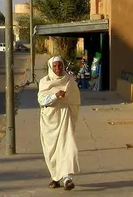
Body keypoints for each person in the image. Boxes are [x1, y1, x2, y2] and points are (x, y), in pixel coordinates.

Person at [37, 56, 81, 191]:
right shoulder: (44, 82)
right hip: (49, 121)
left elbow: (76, 100)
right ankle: (55, 178)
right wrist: (55, 96)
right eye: (55, 66)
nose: (58, 69)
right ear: (51, 67)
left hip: (65, 117)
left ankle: (67, 179)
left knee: (68, 147)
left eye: (60, 66)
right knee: (51, 152)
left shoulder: (69, 81)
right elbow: (42, 101)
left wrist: (65, 100)